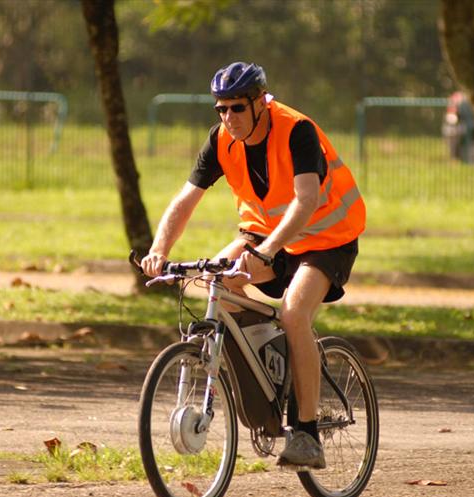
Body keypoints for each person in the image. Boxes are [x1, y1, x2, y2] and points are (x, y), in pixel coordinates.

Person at [141, 62, 365, 469]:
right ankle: (272, 361)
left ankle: (308, 432)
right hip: (264, 237)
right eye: (221, 109)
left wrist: (268, 251)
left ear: (261, 102)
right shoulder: (221, 139)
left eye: (237, 108)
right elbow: (187, 198)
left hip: (326, 239)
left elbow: (306, 199)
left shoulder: (297, 130)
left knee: (295, 312)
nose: (229, 118)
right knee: (206, 283)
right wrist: (158, 250)